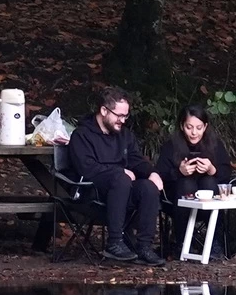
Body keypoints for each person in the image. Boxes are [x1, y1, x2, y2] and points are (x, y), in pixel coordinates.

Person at [64, 88, 162, 264]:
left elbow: (136, 161)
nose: (122, 121)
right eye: (119, 115)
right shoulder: (82, 135)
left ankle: (144, 247)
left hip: (121, 194)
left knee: (148, 187)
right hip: (91, 194)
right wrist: (119, 172)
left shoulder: (124, 135)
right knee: (121, 178)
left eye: (125, 116)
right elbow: (86, 169)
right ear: (103, 111)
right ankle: (114, 242)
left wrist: (152, 173)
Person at [155, 106, 230, 254]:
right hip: (176, 202)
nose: (194, 132)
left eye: (199, 127)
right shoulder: (171, 146)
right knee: (186, 182)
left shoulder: (215, 145)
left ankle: (215, 242)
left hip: (209, 200)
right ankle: (182, 242)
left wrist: (212, 169)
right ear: (182, 126)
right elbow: (160, 175)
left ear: (205, 127)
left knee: (209, 181)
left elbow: (227, 174)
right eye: (189, 127)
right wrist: (179, 172)